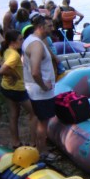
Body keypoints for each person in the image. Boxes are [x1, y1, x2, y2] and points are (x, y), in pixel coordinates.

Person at [22, 14, 58, 161]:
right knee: (43, 122)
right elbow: (35, 71)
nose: (53, 28)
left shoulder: (30, 40)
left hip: (32, 88)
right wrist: (44, 86)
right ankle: (42, 152)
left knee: (37, 118)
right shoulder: (36, 45)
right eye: (49, 26)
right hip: (40, 91)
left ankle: (39, 146)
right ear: (40, 27)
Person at [0, 29, 37, 149]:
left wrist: (11, 71)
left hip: (6, 88)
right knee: (34, 113)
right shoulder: (14, 55)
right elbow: (2, 70)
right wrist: (15, 75)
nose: (23, 41)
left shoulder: (7, 51)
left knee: (14, 114)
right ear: (12, 42)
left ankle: (15, 142)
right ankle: (33, 143)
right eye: (20, 39)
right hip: (17, 90)